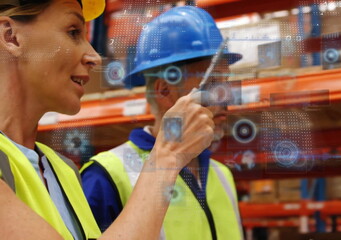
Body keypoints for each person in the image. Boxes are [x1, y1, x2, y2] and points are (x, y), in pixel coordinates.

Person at [0, 1, 214, 239]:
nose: (94, 57)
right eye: (73, 32)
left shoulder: (64, 171)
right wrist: (168, 155)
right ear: (11, 37)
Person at [80, 6, 244, 240]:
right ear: (165, 91)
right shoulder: (107, 176)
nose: (226, 97)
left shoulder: (223, 176)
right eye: (214, 83)